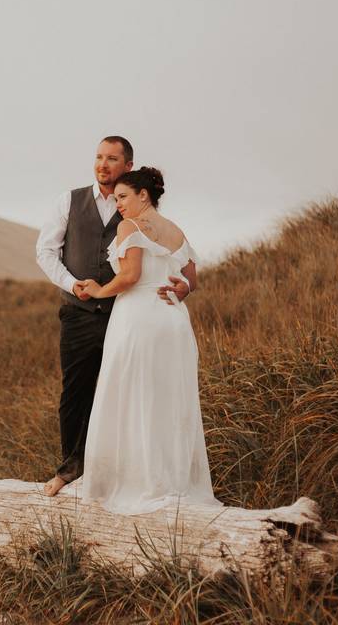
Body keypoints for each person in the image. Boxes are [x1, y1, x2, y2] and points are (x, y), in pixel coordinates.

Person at [35, 137, 191, 497]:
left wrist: (183, 286)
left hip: (126, 316)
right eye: (99, 157)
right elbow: (45, 252)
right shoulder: (69, 201)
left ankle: (119, 475)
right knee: (75, 393)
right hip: (79, 313)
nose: (103, 164)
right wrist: (73, 285)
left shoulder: (135, 214)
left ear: (128, 166)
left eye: (112, 159)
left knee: (123, 393)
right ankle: (71, 469)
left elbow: (166, 263)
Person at [77, 167, 223, 514]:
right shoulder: (175, 231)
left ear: (144, 195)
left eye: (123, 197)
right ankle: (170, 482)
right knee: (168, 401)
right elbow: (192, 281)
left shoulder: (130, 227)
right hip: (173, 321)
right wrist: (181, 290)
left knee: (130, 395)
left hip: (139, 319)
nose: (118, 206)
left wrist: (99, 290)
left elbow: (130, 276)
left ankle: (135, 483)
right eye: (115, 200)